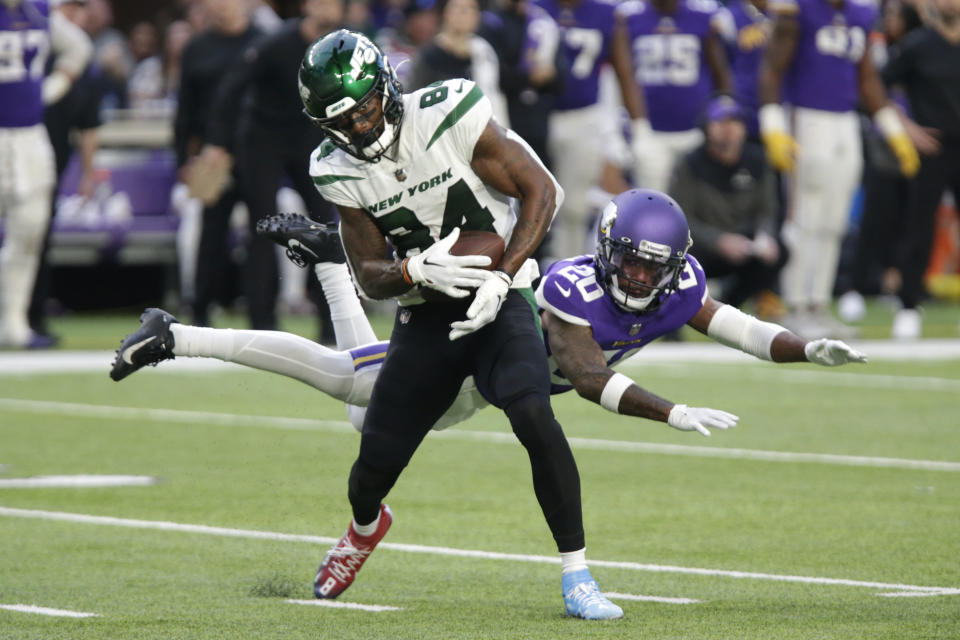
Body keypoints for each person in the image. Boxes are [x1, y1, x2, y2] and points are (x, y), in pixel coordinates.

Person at [110, 191, 867, 611]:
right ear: (607, 252)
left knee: (358, 402)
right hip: (469, 344)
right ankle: (177, 335)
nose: (640, 282)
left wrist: (806, 349)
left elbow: (741, 330)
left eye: (653, 270)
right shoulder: (573, 287)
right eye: (632, 266)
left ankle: (326, 266)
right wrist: (671, 411)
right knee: (349, 382)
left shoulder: (677, 284)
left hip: (492, 385)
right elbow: (590, 375)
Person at [298, 28, 625, 620]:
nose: (363, 127)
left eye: (367, 107)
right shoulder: (334, 167)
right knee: (372, 467)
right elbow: (370, 274)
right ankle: (365, 529)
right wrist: (415, 267)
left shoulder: (449, 109)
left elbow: (541, 190)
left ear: (386, 89)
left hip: (500, 294)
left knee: (531, 409)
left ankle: (578, 574)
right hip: (425, 313)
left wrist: (504, 274)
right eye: (344, 120)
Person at [758, 0, 920, 339]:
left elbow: (867, 77)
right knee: (806, 216)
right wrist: (772, 122)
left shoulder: (859, 14)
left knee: (834, 221)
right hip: (806, 116)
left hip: (845, 121)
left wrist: (892, 129)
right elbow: (772, 68)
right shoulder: (799, 9)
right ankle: (796, 304)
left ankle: (818, 304)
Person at [194, 0, 342, 334]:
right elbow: (232, 88)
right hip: (263, 138)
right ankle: (262, 322)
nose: (328, 9)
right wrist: (217, 142)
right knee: (265, 225)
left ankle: (332, 324)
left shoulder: (339, 46)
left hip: (308, 138)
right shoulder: (276, 43)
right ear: (308, 6)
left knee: (326, 224)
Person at [0, 0, 91, 348]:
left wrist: (53, 86)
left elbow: (78, 47)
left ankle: (14, 325)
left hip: (29, 136)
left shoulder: (37, 12)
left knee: (29, 233)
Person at [533, 0, 655, 261]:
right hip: (534, 115)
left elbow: (625, 71)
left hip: (583, 116)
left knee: (574, 207)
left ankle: (566, 269)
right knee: (526, 201)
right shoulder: (535, 7)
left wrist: (640, 127)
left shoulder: (606, 13)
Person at [174, 0, 261, 327]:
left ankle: (261, 313)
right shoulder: (197, 47)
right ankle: (199, 311)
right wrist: (184, 157)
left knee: (262, 235)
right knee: (209, 233)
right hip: (212, 155)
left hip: (257, 152)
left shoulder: (263, 42)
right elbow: (185, 110)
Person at [881, 0, 960, 339]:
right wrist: (906, 127)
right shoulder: (917, 45)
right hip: (932, 146)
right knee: (920, 223)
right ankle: (909, 305)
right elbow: (874, 87)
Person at [669, 94, 786, 310]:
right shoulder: (690, 164)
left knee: (780, 249)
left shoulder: (758, 160)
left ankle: (729, 307)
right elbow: (680, 218)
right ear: (707, 127)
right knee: (673, 255)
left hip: (744, 243)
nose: (729, 128)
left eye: (735, 122)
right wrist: (718, 240)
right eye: (721, 122)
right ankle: (674, 321)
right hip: (700, 245)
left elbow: (768, 210)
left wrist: (764, 235)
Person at [30, 0, 103, 346]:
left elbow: (89, 126)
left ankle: (32, 319)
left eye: (80, 10)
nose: (75, 17)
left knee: (36, 241)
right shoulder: (23, 43)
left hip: (46, 165)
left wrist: (88, 174)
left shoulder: (81, 63)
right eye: (69, 9)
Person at [617, 0, 734, 193]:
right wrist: (639, 128)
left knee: (698, 199)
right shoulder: (628, 15)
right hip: (650, 130)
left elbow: (720, 70)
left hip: (695, 129)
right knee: (653, 198)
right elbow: (624, 73)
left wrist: (720, 117)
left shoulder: (704, 12)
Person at [408, 0, 510, 126]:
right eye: (457, 7)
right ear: (446, 13)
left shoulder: (484, 53)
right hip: (438, 132)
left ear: (477, 17)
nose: (463, 13)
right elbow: (413, 101)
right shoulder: (429, 55)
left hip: (478, 133)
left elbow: (494, 98)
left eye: (470, 8)